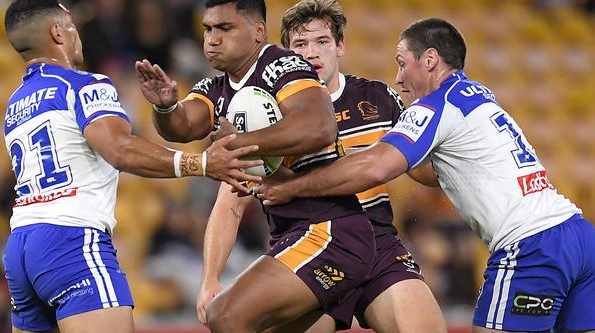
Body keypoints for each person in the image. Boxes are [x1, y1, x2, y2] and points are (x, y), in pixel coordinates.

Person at [255, 17, 595, 333]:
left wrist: (294, 186)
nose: (399, 78)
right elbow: (429, 172)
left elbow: (375, 168)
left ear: (430, 59)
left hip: (532, 246)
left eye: (402, 64)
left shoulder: (435, 104)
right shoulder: (477, 95)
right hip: (579, 237)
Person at [2, 0, 262, 333]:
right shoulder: (83, 85)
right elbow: (119, 149)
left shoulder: (15, 103)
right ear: (57, 32)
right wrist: (200, 163)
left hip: (21, 247)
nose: (77, 35)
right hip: (71, 241)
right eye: (72, 26)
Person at [136, 0, 377, 333]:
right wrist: (165, 105)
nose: (212, 39)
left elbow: (319, 126)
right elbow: (183, 125)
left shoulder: (284, 66)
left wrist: (238, 142)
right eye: (207, 30)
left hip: (331, 231)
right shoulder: (216, 88)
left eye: (225, 28)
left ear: (258, 31)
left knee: (228, 315)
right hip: (292, 236)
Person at [196, 0, 446, 333]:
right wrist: (210, 277)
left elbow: (420, 170)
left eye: (322, 41)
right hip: (307, 247)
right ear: (285, 55)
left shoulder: (378, 97)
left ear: (340, 46)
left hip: (380, 244)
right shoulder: (265, 111)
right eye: (300, 44)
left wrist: (455, 160)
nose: (311, 53)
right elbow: (231, 204)